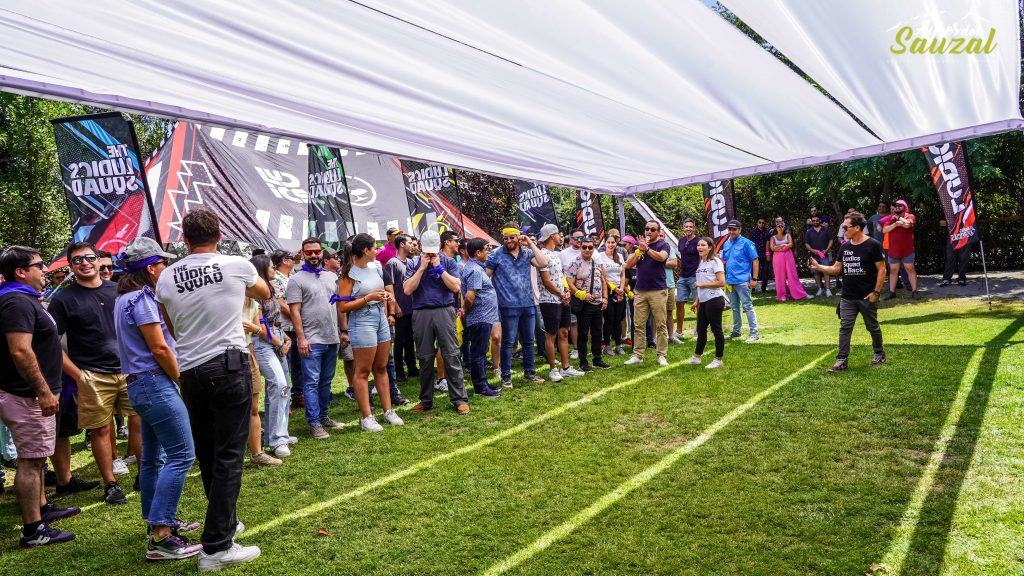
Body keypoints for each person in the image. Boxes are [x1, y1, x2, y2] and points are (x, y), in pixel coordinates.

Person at [155, 208, 268, 570]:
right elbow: (264, 292)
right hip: (227, 364)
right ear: (219, 235)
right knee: (230, 456)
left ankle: (225, 522)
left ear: (184, 239)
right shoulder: (236, 265)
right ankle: (217, 546)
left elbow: (171, 325)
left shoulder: (166, 276)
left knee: (208, 453)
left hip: (190, 370)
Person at [113, 237, 203, 560]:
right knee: (182, 454)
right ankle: (161, 535)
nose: (166, 268)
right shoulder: (142, 299)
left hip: (139, 385)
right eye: (162, 263)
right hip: (154, 382)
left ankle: (155, 523)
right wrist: (182, 379)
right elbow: (159, 347)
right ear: (151, 269)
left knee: (154, 457)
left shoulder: (123, 297)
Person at [0, 246, 79, 548]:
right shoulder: (16, 301)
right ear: (20, 272)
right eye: (39, 265)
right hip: (28, 397)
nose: (45, 269)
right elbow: (20, 350)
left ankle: (43, 509)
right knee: (31, 461)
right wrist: (43, 391)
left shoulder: (23, 299)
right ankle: (33, 529)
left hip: (32, 395)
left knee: (36, 458)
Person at [48, 241, 136, 505]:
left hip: (129, 368)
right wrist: (77, 375)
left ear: (99, 260)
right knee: (100, 430)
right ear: (71, 266)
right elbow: (52, 343)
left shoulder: (119, 290)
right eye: (77, 260)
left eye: (89, 258)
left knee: (141, 421)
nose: (84, 263)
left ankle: (147, 475)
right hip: (92, 373)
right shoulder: (63, 299)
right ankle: (111, 484)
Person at [335, 233, 405, 431]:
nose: (378, 251)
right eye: (375, 248)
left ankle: (388, 410)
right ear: (365, 251)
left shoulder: (376, 267)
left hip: (379, 317)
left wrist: (384, 297)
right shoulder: (348, 274)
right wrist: (369, 297)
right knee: (363, 370)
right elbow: (343, 307)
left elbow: (379, 290)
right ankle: (366, 417)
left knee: (381, 367)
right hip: (362, 320)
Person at [809, 212, 887, 372]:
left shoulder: (873, 245)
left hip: (867, 296)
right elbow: (837, 269)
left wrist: (876, 293)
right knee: (845, 327)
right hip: (848, 296)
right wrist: (818, 267)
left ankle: (879, 354)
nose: (843, 230)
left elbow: (882, 270)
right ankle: (841, 360)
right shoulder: (845, 247)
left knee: (872, 326)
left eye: (846, 227)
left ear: (857, 228)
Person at [404, 230, 469, 414]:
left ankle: (459, 399)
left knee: (451, 354)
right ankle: (425, 400)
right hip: (421, 312)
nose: (431, 255)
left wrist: (439, 268)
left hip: (444, 309)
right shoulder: (413, 263)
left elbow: (456, 287)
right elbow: (408, 290)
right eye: (427, 251)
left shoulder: (448, 261)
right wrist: (422, 268)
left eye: (433, 251)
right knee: (424, 358)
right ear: (421, 249)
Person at [286, 238, 343, 439]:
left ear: (321, 253)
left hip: (331, 337)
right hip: (311, 339)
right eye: (309, 252)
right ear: (302, 254)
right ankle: (314, 423)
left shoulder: (331, 277)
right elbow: (294, 312)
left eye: (316, 252)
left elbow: (337, 306)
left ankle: (324, 416)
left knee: (326, 381)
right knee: (310, 382)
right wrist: (301, 338)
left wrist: (343, 331)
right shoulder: (296, 280)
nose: (313, 255)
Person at [486, 223, 549, 387]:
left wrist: (530, 242)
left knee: (528, 340)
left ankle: (530, 373)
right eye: (505, 238)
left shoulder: (527, 253)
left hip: (528, 304)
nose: (508, 241)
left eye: (511, 237)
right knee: (508, 342)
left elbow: (543, 263)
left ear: (518, 237)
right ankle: (506, 377)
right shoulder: (495, 255)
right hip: (507, 306)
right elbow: (486, 278)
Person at [249, 255, 295, 459]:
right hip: (263, 342)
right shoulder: (255, 294)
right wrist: (279, 343)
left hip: (276, 337)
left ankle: (276, 434)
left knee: (282, 387)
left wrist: (284, 337)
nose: (273, 268)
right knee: (279, 384)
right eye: (270, 266)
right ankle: (277, 439)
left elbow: (274, 320)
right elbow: (258, 325)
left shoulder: (271, 289)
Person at [536, 225, 584, 380]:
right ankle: (553, 369)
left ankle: (566, 367)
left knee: (564, 332)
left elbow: (561, 276)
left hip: (562, 298)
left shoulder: (557, 254)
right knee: (551, 334)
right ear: (551, 236)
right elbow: (546, 281)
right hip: (549, 301)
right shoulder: (542, 255)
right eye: (558, 234)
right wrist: (561, 293)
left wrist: (566, 291)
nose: (561, 237)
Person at [241, 291, 282, 468]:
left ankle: (257, 453)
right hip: (224, 352)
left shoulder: (252, 302)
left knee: (253, 408)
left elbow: (257, 329)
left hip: (247, 349)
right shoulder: (223, 297)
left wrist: (253, 328)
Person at [623, 220, 672, 366]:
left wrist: (647, 250)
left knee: (661, 324)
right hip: (640, 290)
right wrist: (639, 250)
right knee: (638, 324)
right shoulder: (638, 246)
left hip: (658, 290)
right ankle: (638, 354)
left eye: (652, 229)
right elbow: (628, 264)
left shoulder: (663, 245)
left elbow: (662, 258)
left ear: (658, 231)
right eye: (647, 229)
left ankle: (662, 355)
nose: (649, 231)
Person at [461, 238, 503, 397]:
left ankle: (483, 383)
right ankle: (480, 388)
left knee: (480, 352)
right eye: (487, 249)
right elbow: (470, 297)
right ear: (478, 253)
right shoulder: (475, 270)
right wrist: (466, 311)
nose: (489, 252)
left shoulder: (477, 267)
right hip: (479, 318)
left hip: (484, 317)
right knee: (478, 353)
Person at [566, 236, 609, 371]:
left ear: (594, 248)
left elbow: (603, 281)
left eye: (590, 247)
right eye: (584, 247)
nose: (587, 250)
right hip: (584, 304)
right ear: (580, 247)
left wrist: (605, 298)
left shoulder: (596, 262)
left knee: (597, 332)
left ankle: (597, 359)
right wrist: (582, 294)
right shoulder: (575, 263)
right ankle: (583, 361)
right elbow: (569, 283)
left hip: (597, 303)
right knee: (583, 333)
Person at [687, 237, 727, 369]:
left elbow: (721, 282)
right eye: (698, 245)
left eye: (703, 245)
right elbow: (700, 286)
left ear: (710, 247)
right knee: (701, 330)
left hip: (714, 300)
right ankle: (697, 357)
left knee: (716, 330)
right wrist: (696, 301)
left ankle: (718, 359)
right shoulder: (702, 263)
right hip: (703, 302)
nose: (699, 247)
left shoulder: (715, 262)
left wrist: (702, 284)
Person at [270, 249, 302, 410]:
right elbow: (281, 305)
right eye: (290, 258)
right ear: (284, 261)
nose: (293, 260)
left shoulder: (290, 276)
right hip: (285, 327)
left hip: (294, 326)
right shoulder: (276, 277)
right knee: (285, 365)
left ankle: (297, 395)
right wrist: (299, 318)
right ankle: (286, 401)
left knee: (297, 363)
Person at [384, 234, 417, 382]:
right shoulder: (392, 263)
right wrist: (395, 305)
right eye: (410, 243)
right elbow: (389, 287)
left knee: (410, 339)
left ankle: (412, 367)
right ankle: (399, 371)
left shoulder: (410, 262)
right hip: (400, 308)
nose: (412, 245)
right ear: (402, 244)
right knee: (400, 340)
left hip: (412, 307)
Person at [720, 220, 760, 343]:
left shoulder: (747, 243)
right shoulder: (726, 243)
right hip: (730, 281)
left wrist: (754, 279)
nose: (731, 231)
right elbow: (724, 259)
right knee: (735, 308)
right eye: (730, 229)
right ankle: (736, 332)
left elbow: (755, 260)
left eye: (734, 229)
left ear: (740, 230)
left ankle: (754, 333)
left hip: (743, 281)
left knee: (747, 306)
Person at [880, 199, 919, 300]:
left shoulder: (910, 216)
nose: (897, 207)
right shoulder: (890, 218)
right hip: (893, 250)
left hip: (907, 250)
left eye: (899, 205)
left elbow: (908, 225)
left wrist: (899, 219)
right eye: (895, 205)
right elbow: (884, 230)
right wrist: (895, 224)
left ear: (905, 207)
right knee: (893, 271)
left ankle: (915, 291)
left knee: (910, 270)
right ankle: (892, 292)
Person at [597, 234, 627, 356]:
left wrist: (621, 289)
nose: (611, 245)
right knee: (609, 319)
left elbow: (622, 274)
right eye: (608, 242)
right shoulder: (600, 256)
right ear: (605, 244)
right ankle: (607, 346)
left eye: (613, 242)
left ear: (616, 244)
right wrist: (614, 289)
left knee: (619, 319)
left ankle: (619, 345)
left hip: (619, 292)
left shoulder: (619, 256)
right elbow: (602, 276)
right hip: (607, 291)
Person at [768, 218, 809, 301]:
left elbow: (790, 244)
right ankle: (782, 295)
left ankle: (799, 294)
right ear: (776, 227)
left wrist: (780, 247)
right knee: (779, 276)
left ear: (784, 227)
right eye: (778, 226)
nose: (780, 228)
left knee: (792, 274)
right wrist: (783, 246)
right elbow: (772, 248)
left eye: (782, 226)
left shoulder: (787, 235)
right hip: (777, 257)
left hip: (788, 255)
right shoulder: (773, 237)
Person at [674, 219, 700, 339]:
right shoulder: (681, 240)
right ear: (683, 228)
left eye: (690, 227)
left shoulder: (698, 241)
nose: (688, 229)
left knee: (699, 304)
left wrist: (700, 275)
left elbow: (702, 258)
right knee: (679, 303)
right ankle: (679, 331)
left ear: (694, 228)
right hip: (683, 276)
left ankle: (698, 331)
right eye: (686, 227)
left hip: (695, 276)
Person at [804, 214, 834, 297]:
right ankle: (820, 289)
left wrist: (827, 250)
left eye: (817, 220)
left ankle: (828, 290)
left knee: (826, 271)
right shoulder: (809, 232)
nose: (815, 222)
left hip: (825, 255)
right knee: (815, 272)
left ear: (820, 220)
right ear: (811, 221)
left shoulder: (826, 230)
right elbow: (806, 244)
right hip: (813, 256)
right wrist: (813, 250)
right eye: (813, 221)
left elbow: (831, 240)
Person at [938, 219, 971, 287]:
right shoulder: (948, 209)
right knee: (950, 258)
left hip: (965, 236)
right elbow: (941, 223)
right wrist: (956, 222)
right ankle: (946, 279)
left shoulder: (968, 208)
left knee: (964, 257)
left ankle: (962, 278)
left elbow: (972, 220)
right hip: (952, 237)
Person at [749, 217, 773, 293]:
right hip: (755, 255)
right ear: (757, 223)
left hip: (765, 254)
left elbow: (768, 243)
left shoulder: (767, 231)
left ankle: (764, 288)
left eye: (763, 223)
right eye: (760, 222)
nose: (761, 224)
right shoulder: (753, 232)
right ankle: (752, 289)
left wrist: (768, 254)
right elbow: (751, 244)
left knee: (765, 272)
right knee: (753, 272)